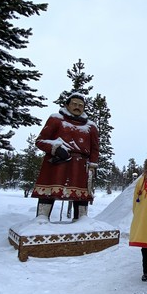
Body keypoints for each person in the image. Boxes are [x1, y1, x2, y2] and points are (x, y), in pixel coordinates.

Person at [31, 92, 99, 221]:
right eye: (74, 104)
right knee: (49, 191)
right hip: (58, 163)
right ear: (67, 105)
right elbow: (40, 141)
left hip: (81, 165)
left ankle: (81, 221)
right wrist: (55, 148)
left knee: (81, 194)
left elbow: (95, 148)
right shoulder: (56, 119)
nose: (77, 107)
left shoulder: (91, 126)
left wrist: (92, 165)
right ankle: (41, 220)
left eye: (81, 105)